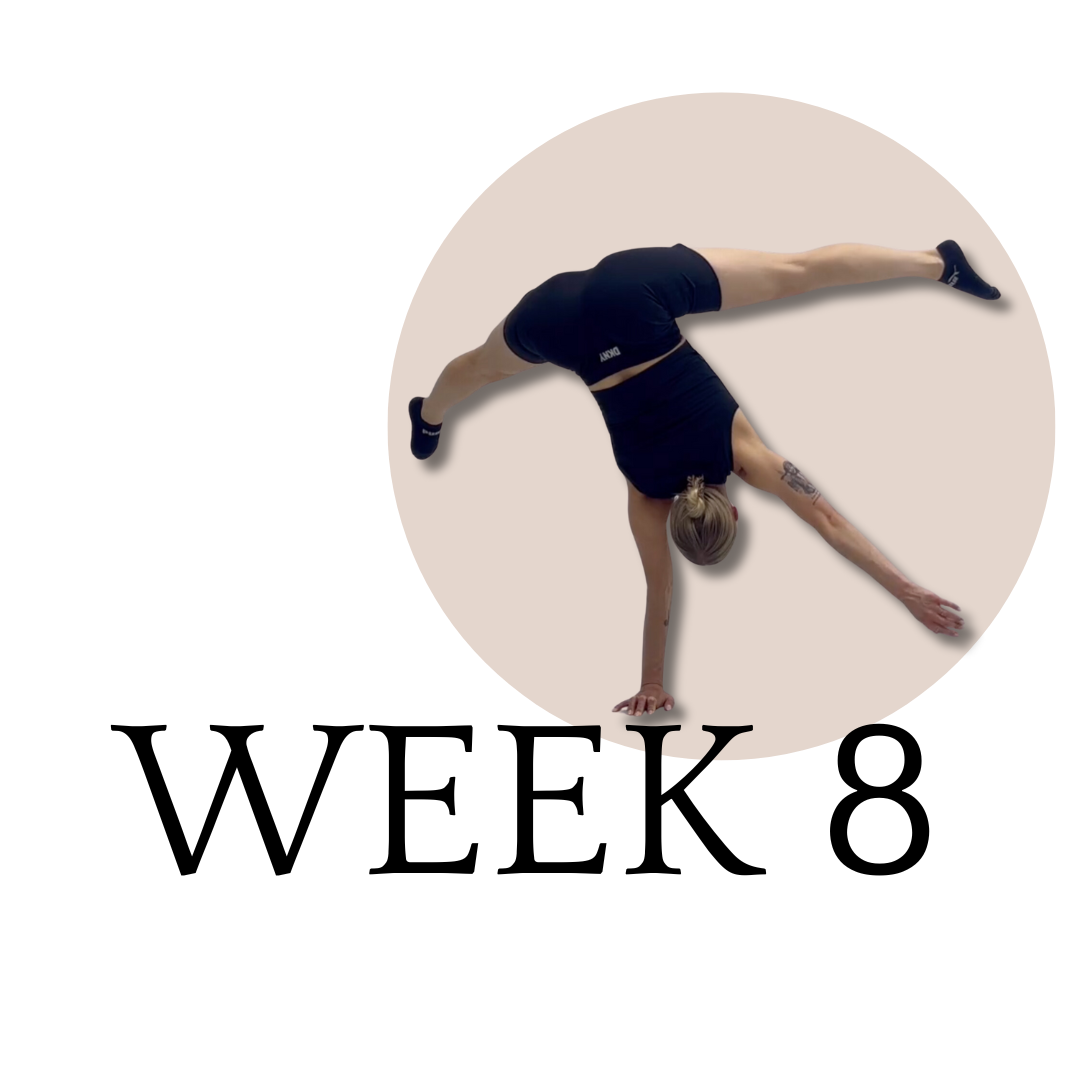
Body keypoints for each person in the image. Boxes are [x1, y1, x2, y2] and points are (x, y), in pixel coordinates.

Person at [410, 240, 995, 717]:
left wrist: (909, 592)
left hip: (634, 295)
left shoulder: (741, 456)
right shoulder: (646, 492)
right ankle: (429, 416)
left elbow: (828, 520)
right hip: (559, 321)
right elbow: (658, 594)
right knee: (482, 367)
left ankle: (938, 264)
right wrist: (651, 683)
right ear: (675, 521)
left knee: (795, 272)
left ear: (734, 511)